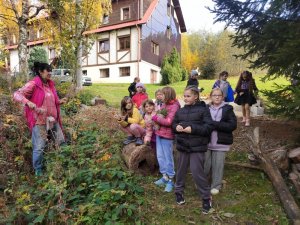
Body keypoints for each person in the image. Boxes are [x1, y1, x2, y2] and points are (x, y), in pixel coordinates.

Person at [13, 62, 67, 176]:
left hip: (53, 120)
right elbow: (17, 94)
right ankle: (38, 171)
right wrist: (28, 102)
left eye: (50, 70)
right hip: (40, 121)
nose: (50, 73)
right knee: (39, 146)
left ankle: (65, 165)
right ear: (40, 71)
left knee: (61, 142)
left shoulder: (50, 85)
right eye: (48, 70)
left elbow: (53, 100)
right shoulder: (33, 84)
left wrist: (60, 101)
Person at [172, 85, 214, 214]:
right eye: (184, 96)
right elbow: (173, 124)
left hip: (197, 147)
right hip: (183, 146)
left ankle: (206, 197)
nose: (185, 98)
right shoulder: (180, 111)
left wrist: (193, 129)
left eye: (188, 96)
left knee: (197, 172)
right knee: (180, 170)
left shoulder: (204, 110)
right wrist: (176, 127)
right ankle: (178, 192)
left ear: (196, 96)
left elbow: (209, 127)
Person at [204, 88, 237, 196]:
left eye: (219, 95)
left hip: (220, 142)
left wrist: (215, 124)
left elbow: (232, 125)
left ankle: (215, 186)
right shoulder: (206, 108)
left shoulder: (228, 109)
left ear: (222, 97)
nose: (217, 97)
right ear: (211, 97)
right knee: (205, 164)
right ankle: (203, 183)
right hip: (206, 142)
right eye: (214, 95)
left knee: (218, 165)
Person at [152, 87, 180, 192]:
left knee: (168, 158)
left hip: (167, 136)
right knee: (160, 156)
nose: (160, 96)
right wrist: (157, 117)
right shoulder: (164, 104)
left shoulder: (174, 106)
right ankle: (164, 177)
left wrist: (156, 118)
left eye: (162, 94)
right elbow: (160, 115)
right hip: (159, 133)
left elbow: (169, 122)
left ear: (168, 95)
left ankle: (171, 179)